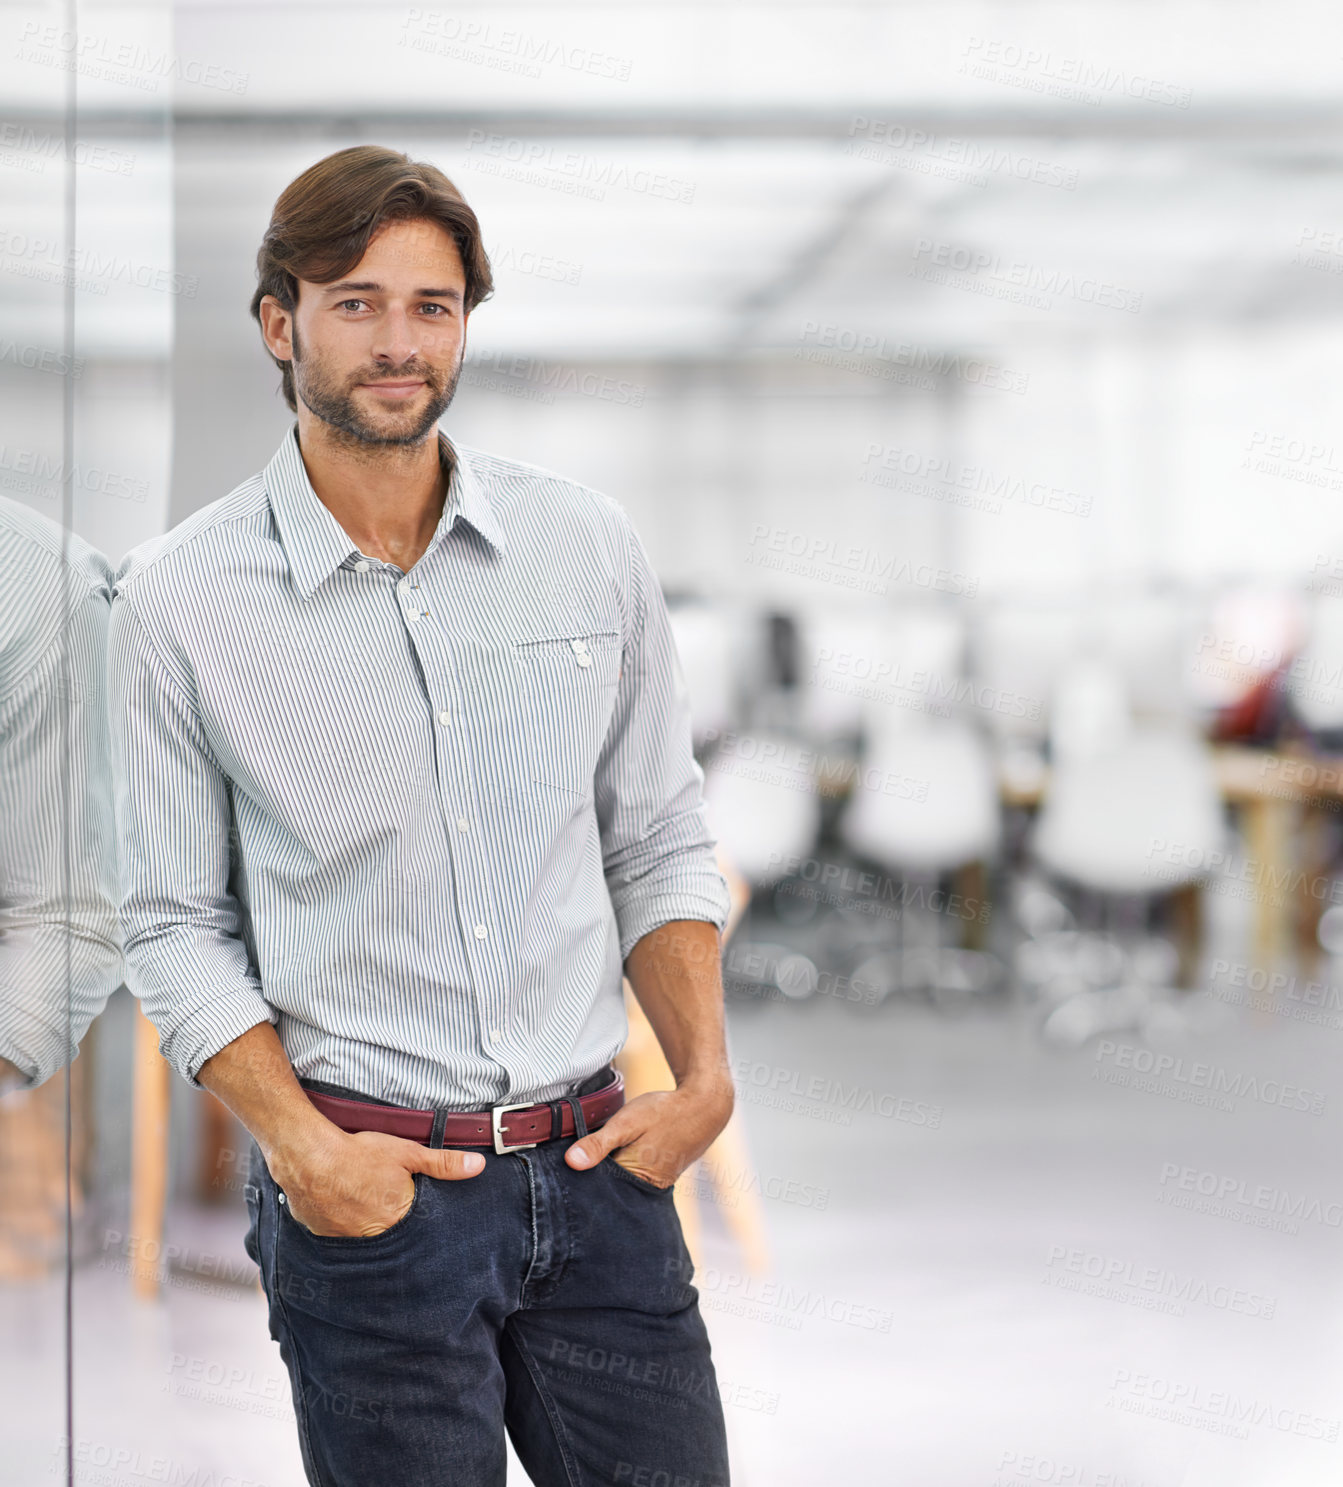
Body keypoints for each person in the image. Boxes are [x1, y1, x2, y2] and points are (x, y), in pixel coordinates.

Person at [106, 144, 735, 1486]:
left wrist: (706, 1079)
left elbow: (658, 837)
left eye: (432, 306)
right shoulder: (175, 602)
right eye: (357, 301)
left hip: (603, 1178)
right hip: (374, 1205)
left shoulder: (588, 547)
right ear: (282, 323)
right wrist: (304, 1154)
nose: (399, 342)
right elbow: (167, 922)